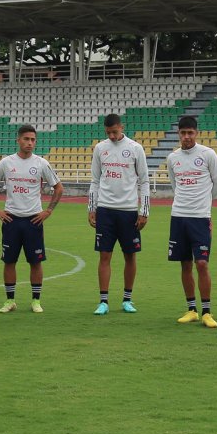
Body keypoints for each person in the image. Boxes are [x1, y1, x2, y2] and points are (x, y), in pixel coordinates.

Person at [0, 125, 63, 313]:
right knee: (9, 261)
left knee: (35, 261)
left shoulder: (41, 163)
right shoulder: (6, 163)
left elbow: (58, 188)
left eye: (33, 140)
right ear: (18, 140)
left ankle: (36, 300)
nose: (30, 143)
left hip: (33, 220)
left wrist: (48, 211)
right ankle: (10, 300)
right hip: (11, 220)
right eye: (26, 139)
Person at [165, 115, 217, 328]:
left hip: (200, 218)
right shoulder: (173, 158)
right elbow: (175, 185)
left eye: (190, 133)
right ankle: (191, 309)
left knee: (202, 263)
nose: (187, 137)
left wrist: (204, 205)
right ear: (179, 134)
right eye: (183, 133)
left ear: (196, 133)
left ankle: (207, 311)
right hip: (179, 216)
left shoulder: (208, 155)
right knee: (185, 263)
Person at [88, 114, 150, 315]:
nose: (112, 136)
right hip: (105, 210)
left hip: (128, 211)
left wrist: (144, 211)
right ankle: (103, 301)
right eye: (108, 133)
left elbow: (144, 181)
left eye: (115, 132)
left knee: (130, 256)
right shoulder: (100, 148)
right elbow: (95, 180)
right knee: (104, 255)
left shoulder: (135, 148)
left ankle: (127, 299)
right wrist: (92, 207)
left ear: (121, 127)